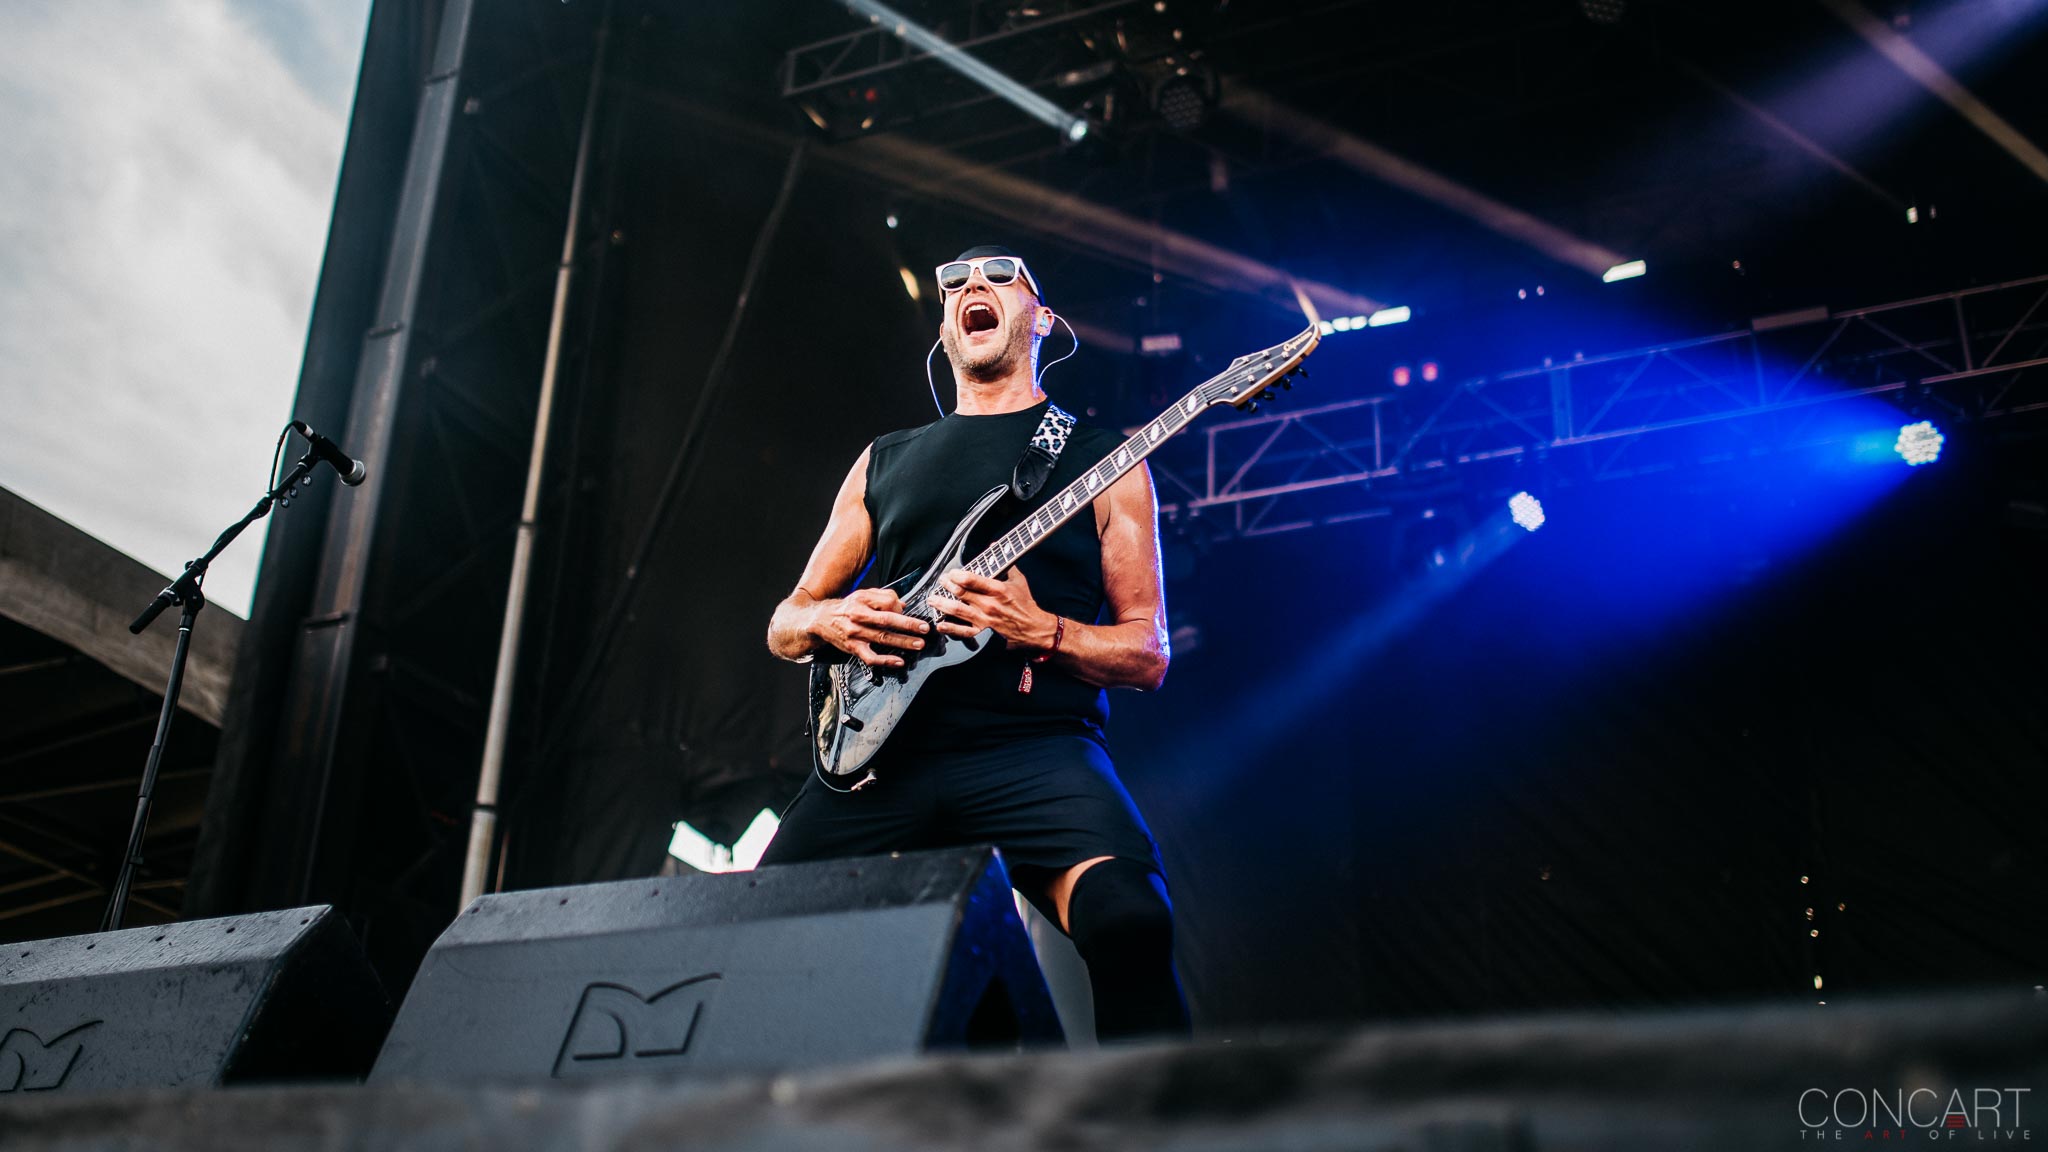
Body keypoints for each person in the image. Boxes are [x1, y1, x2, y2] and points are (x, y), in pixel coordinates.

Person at [762, 245, 1190, 1040]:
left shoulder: (1104, 460)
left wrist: (1042, 631)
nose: (972, 288)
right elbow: (785, 622)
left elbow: (1148, 652)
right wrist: (827, 620)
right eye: (953, 284)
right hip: (881, 759)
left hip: (1035, 750)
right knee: (748, 939)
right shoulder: (883, 461)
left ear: (1043, 320)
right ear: (948, 332)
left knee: (1130, 922)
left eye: (1000, 277)